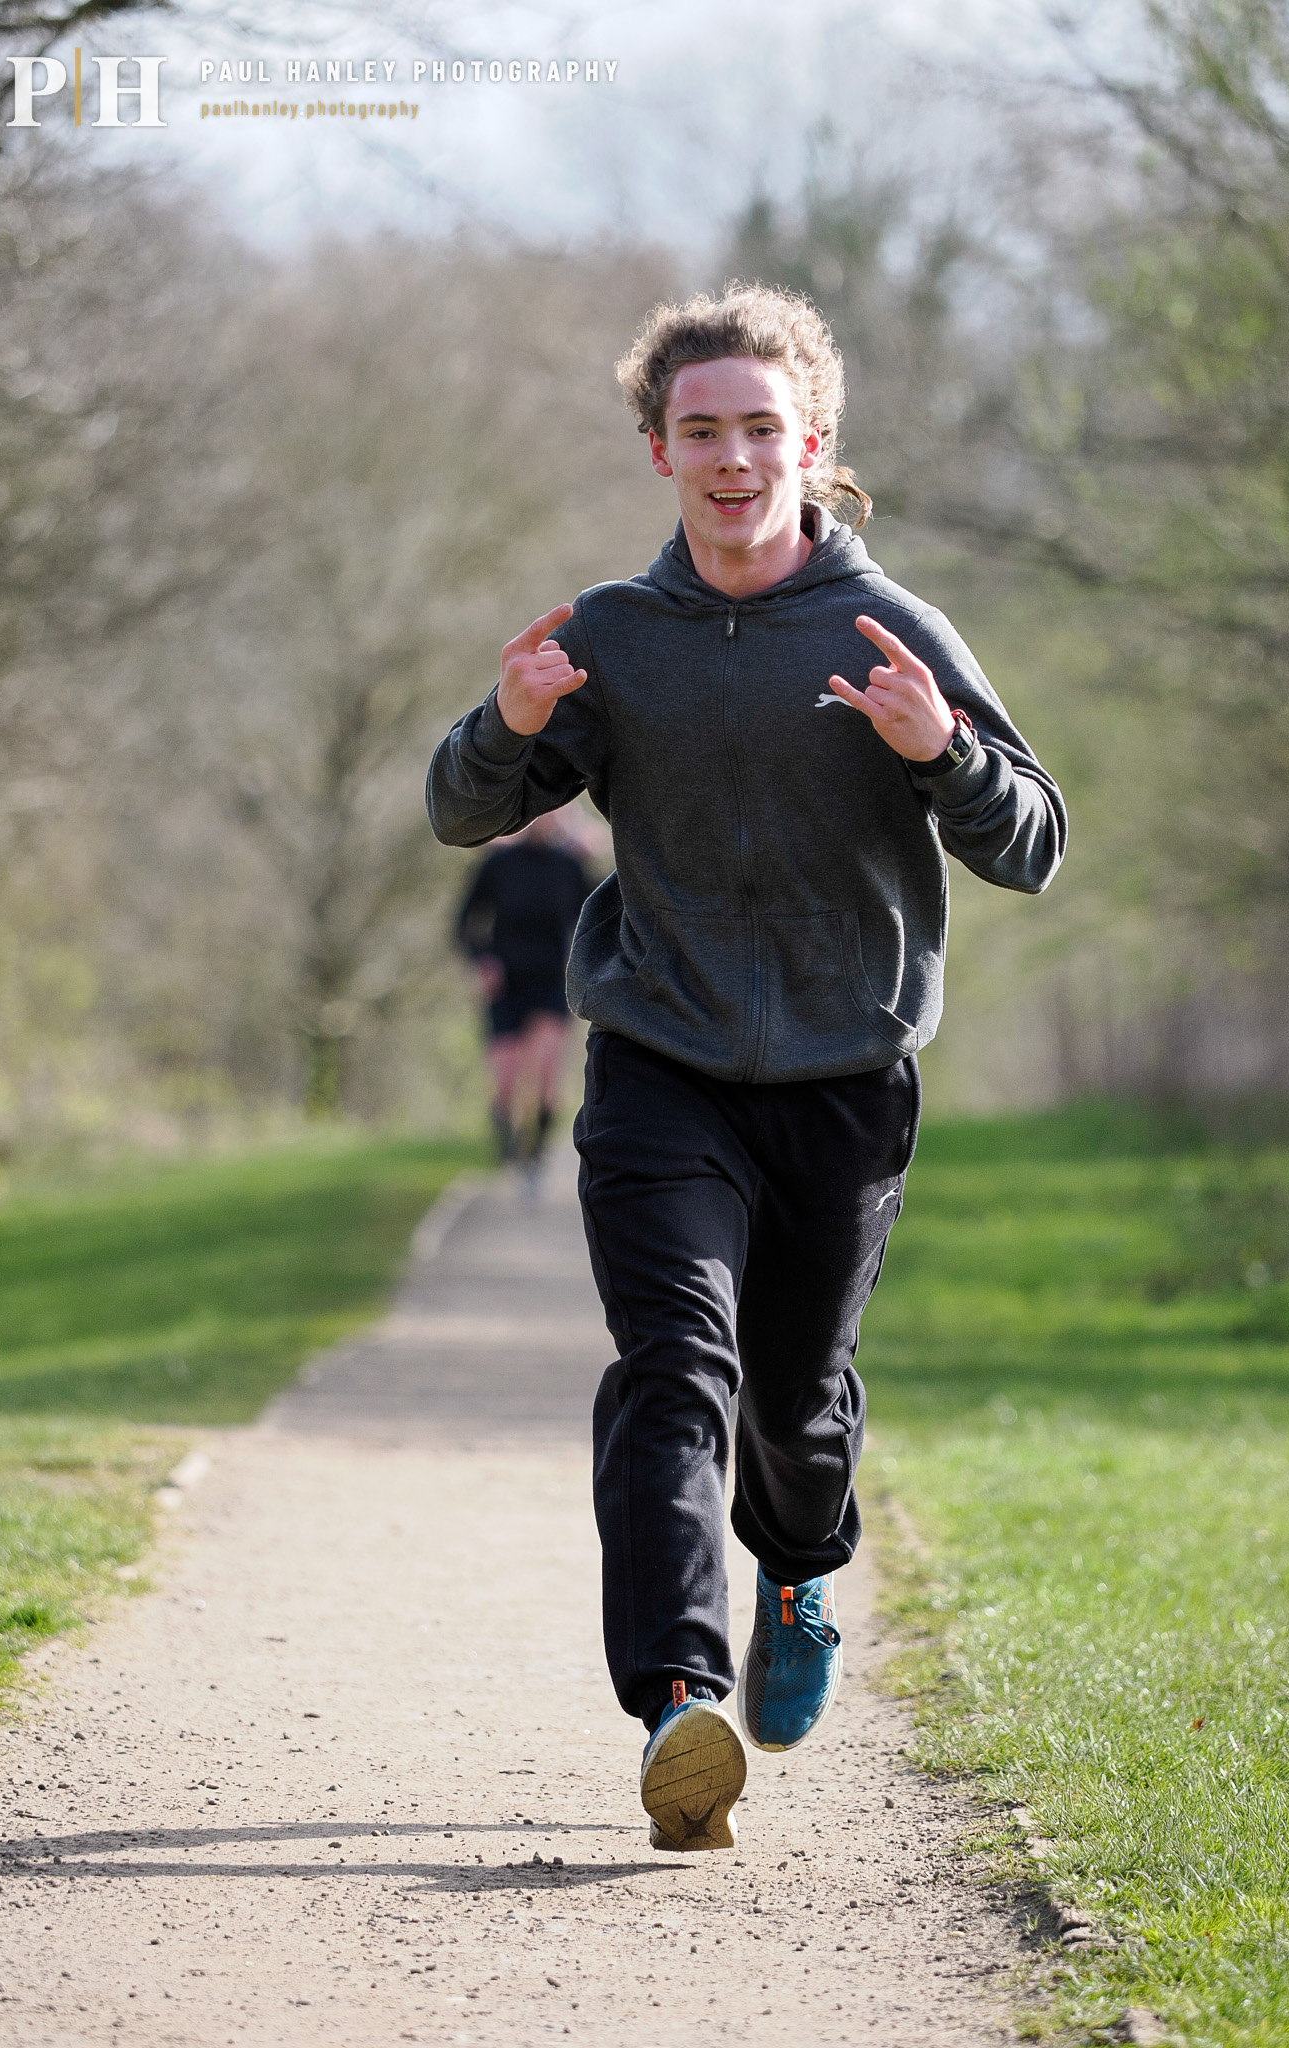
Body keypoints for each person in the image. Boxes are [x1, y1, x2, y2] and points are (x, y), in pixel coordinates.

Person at [427, 283, 1066, 1852]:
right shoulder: (611, 637)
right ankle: (677, 1704)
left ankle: (796, 1571)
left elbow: (1034, 844)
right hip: (660, 1061)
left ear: (811, 442)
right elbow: (461, 809)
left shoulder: (888, 629)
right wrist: (504, 725)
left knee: (792, 1407)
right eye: (699, 429)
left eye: (758, 429)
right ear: (659, 448)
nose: (731, 456)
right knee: (673, 1369)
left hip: (846, 1078)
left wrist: (942, 754)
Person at [453, 811, 592, 1178]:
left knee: (547, 1073)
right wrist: (482, 962)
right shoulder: (497, 865)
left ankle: (537, 1154)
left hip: (550, 983)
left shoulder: (570, 866)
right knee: (505, 1079)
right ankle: (508, 1153)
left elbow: (600, 915)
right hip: (505, 984)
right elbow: (463, 922)